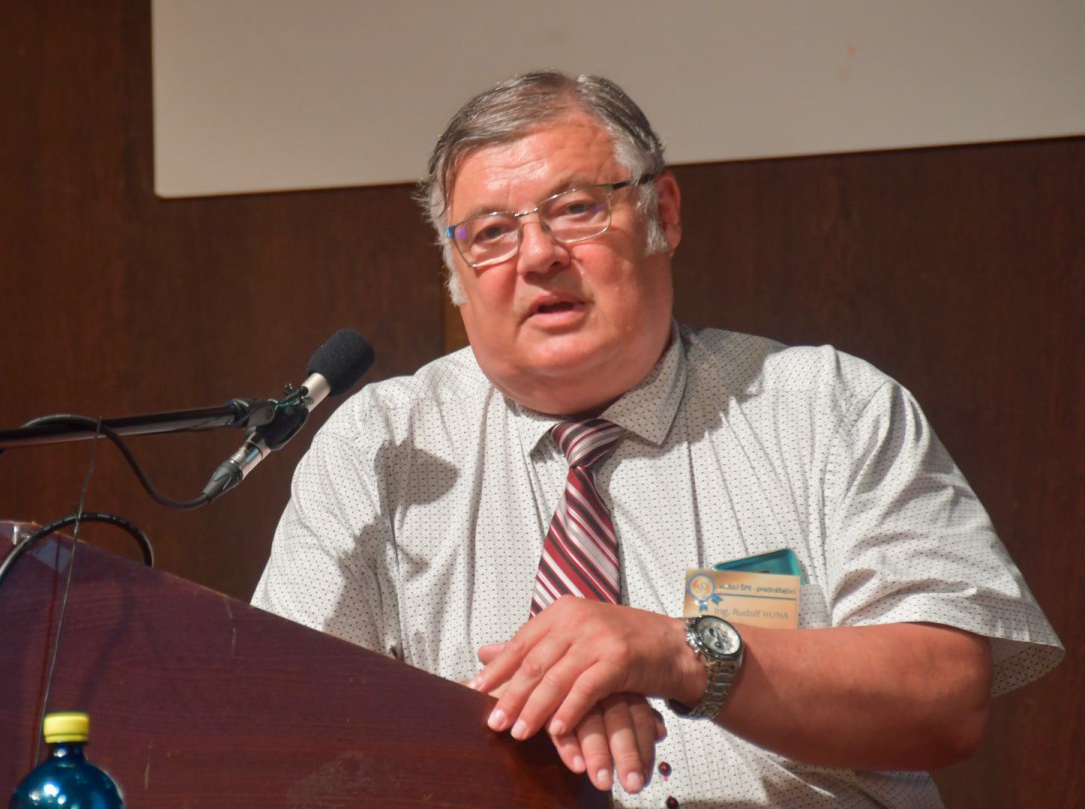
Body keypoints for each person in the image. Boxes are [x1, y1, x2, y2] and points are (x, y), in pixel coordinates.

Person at [251, 71, 1063, 807]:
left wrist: (682, 653)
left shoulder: (827, 407)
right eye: (491, 232)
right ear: (455, 274)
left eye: (576, 208)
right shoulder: (381, 447)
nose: (538, 255)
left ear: (662, 215)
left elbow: (946, 697)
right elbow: (276, 724)